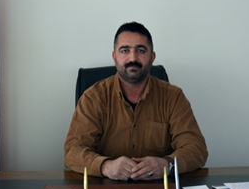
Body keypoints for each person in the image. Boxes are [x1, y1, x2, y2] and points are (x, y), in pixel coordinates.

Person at [64, 22, 208, 180]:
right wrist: (106, 166)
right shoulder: (94, 98)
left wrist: (167, 165)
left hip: (160, 188)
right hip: (106, 187)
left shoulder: (173, 97)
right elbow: (73, 151)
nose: (133, 58)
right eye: (125, 50)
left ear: (152, 57)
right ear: (114, 57)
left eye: (141, 50)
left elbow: (196, 148)